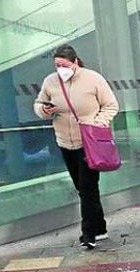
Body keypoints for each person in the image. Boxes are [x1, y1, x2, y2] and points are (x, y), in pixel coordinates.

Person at [34, 44, 119, 250]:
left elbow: (111, 105)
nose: (60, 69)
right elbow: (39, 103)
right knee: (83, 188)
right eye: (57, 65)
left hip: (88, 142)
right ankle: (100, 228)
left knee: (87, 187)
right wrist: (45, 110)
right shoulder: (50, 82)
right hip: (64, 141)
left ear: (75, 62)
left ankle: (88, 233)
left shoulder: (93, 79)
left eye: (64, 65)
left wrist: (96, 123)